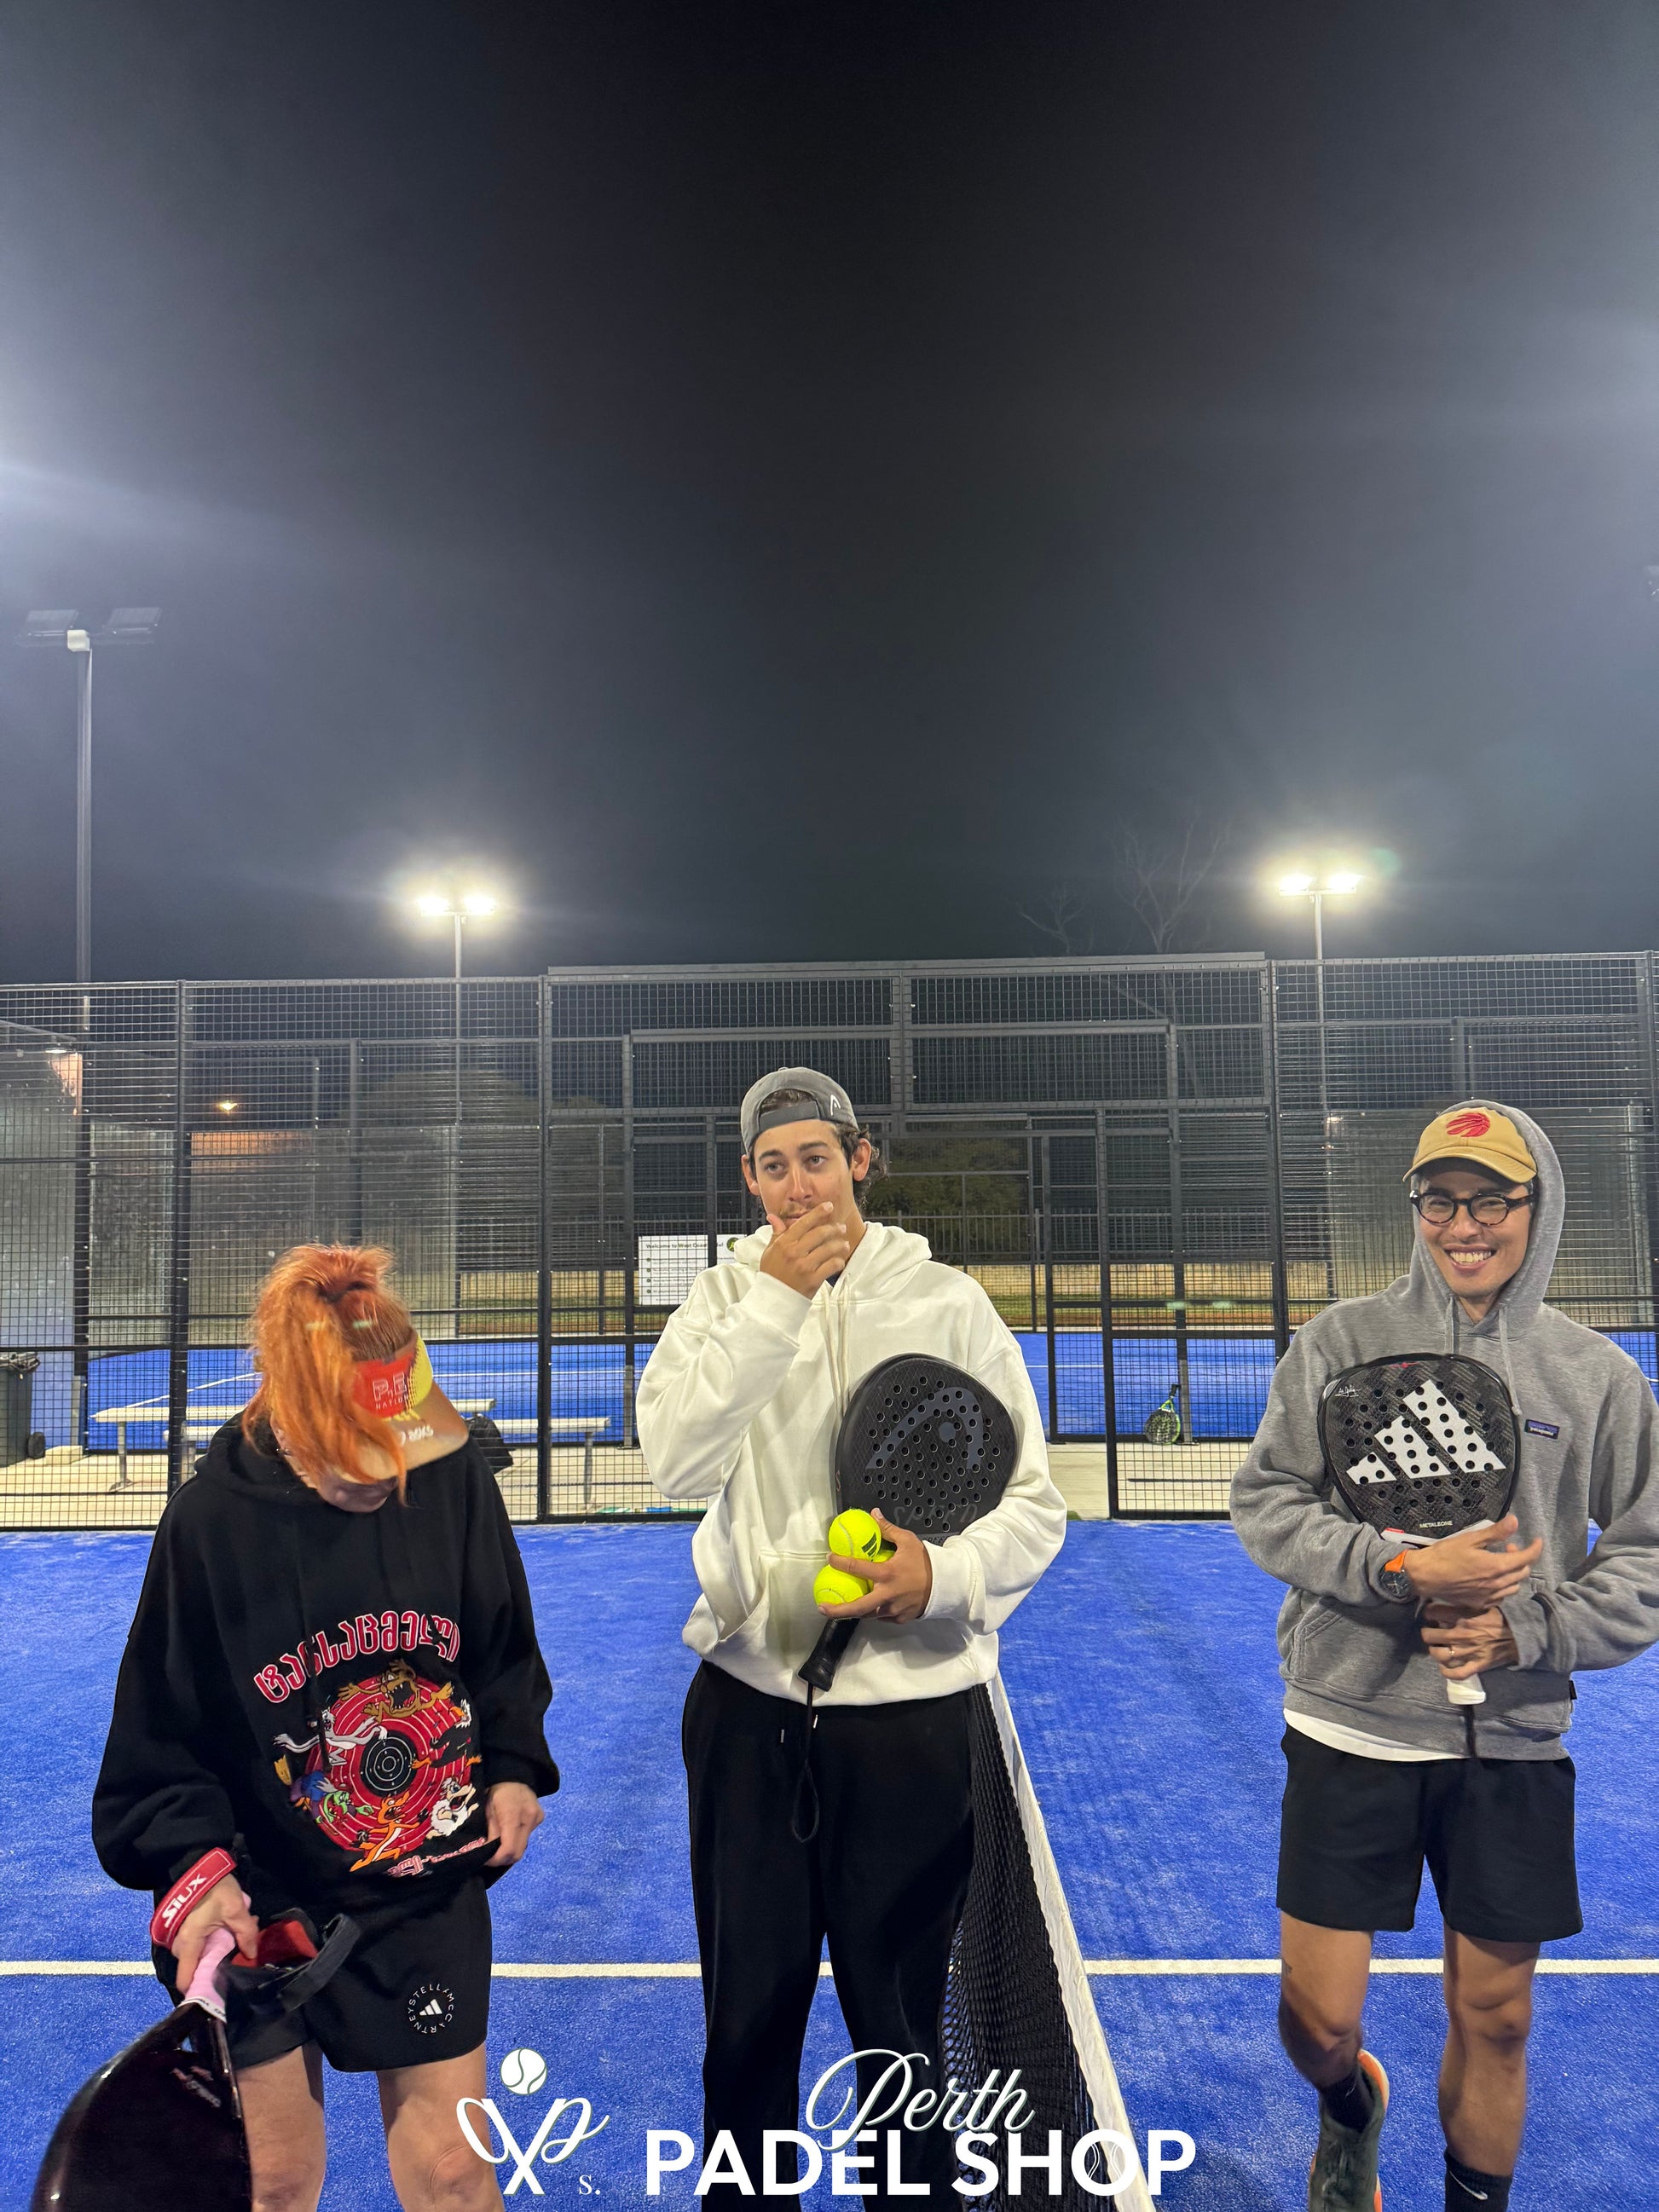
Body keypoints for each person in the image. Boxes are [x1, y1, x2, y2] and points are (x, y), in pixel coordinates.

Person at [637, 1067, 1066, 2201]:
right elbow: (673, 1462)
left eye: (816, 1159)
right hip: (748, 1719)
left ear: (859, 1160)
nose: (797, 1186)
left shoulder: (947, 1304)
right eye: (773, 1166)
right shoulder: (719, 1300)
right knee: (745, 2030)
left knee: (903, 2039)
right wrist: (772, 1302)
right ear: (749, 1180)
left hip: (911, 1725)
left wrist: (941, 1574)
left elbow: (1033, 1504)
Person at [1232, 1102, 1659, 2212]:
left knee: (1497, 2016)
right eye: (1439, 1199)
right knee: (1318, 2020)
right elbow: (1267, 1503)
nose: (1462, 1224)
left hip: (1510, 1736)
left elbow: (1646, 1553)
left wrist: (1530, 1628)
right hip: (1348, 1721)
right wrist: (1397, 1568)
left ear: (1535, 1206)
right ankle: (1345, 2106)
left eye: (1489, 1199)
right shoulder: (1339, 1343)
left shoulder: (1595, 1377)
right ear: (1414, 1207)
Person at [93, 1245, 559, 2212]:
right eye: (360, 1450)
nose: (390, 1473)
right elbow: (157, 1741)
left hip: (422, 1883)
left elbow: (501, 1646)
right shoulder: (208, 1525)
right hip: (262, 1899)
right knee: (274, 2180)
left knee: (454, 2172)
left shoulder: (449, 1479)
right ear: (291, 1411)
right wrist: (195, 1869)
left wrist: (513, 1766)